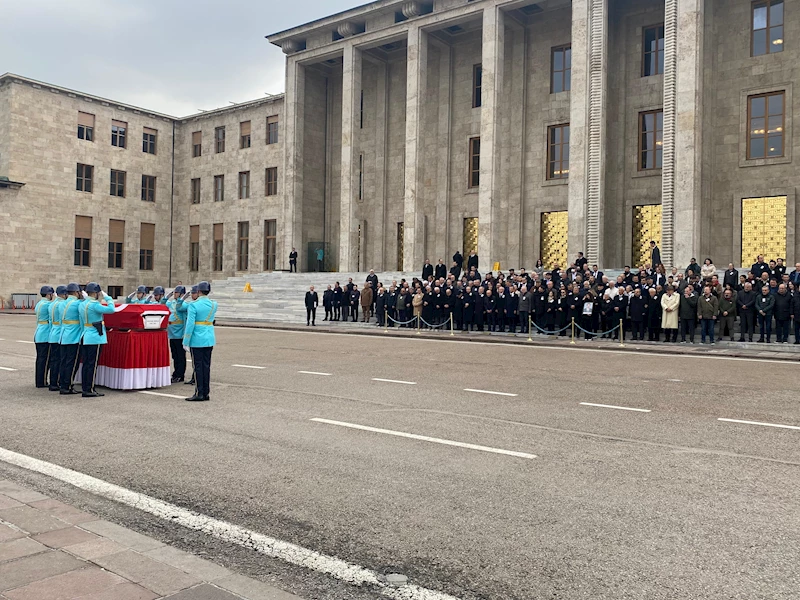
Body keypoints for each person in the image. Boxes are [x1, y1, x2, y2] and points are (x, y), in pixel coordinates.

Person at [78, 283, 116, 397]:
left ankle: (86, 387)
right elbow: (111, 309)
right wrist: (107, 297)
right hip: (95, 337)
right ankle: (89, 389)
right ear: (95, 293)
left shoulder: (82, 304)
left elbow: (81, 322)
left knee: (86, 364)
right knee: (92, 364)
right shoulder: (94, 305)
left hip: (85, 335)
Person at [184, 281, 217, 401]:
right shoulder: (214, 304)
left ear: (198, 291)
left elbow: (190, 324)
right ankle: (206, 392)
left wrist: (186, 340)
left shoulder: (194, 305)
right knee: (206, 366)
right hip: (209, 338)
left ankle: (199, 392)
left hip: (197, 339)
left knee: (198, 366)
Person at [58, 283, 84, 395]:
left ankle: (62, 384)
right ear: (76, 292)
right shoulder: (78, 303)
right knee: (72, 363)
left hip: (63, 336)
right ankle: (67, 386)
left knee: (63, 362)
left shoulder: (62, 304)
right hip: (74, 336)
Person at [47, 285, 67, 391]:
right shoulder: (62, 304)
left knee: (54, 360)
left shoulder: (52, 304)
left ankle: (52, 382)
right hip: (60, 333)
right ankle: (56, 382)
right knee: (59, 360)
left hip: (53, 332)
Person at [34, 285, 55, 388]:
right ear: (48, 294)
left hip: (39, 332)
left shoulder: (39, 304)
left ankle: (39, 380)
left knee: (40, 359)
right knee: (45, 359)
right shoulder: (47, 304)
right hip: (45, 334)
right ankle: (42, 381)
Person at [167, 286, 188, 383]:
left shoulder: (184, 304)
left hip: (179, 333)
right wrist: (167, 296)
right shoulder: (172, 303)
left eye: (177, 292)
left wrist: (182, 299)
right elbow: (163, 303)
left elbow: (180, 307)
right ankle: (175, 373)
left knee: (180, 356)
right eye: (174, 292)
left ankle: (180, 374)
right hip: (172, 333)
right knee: (174, 355)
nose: (175, 294)